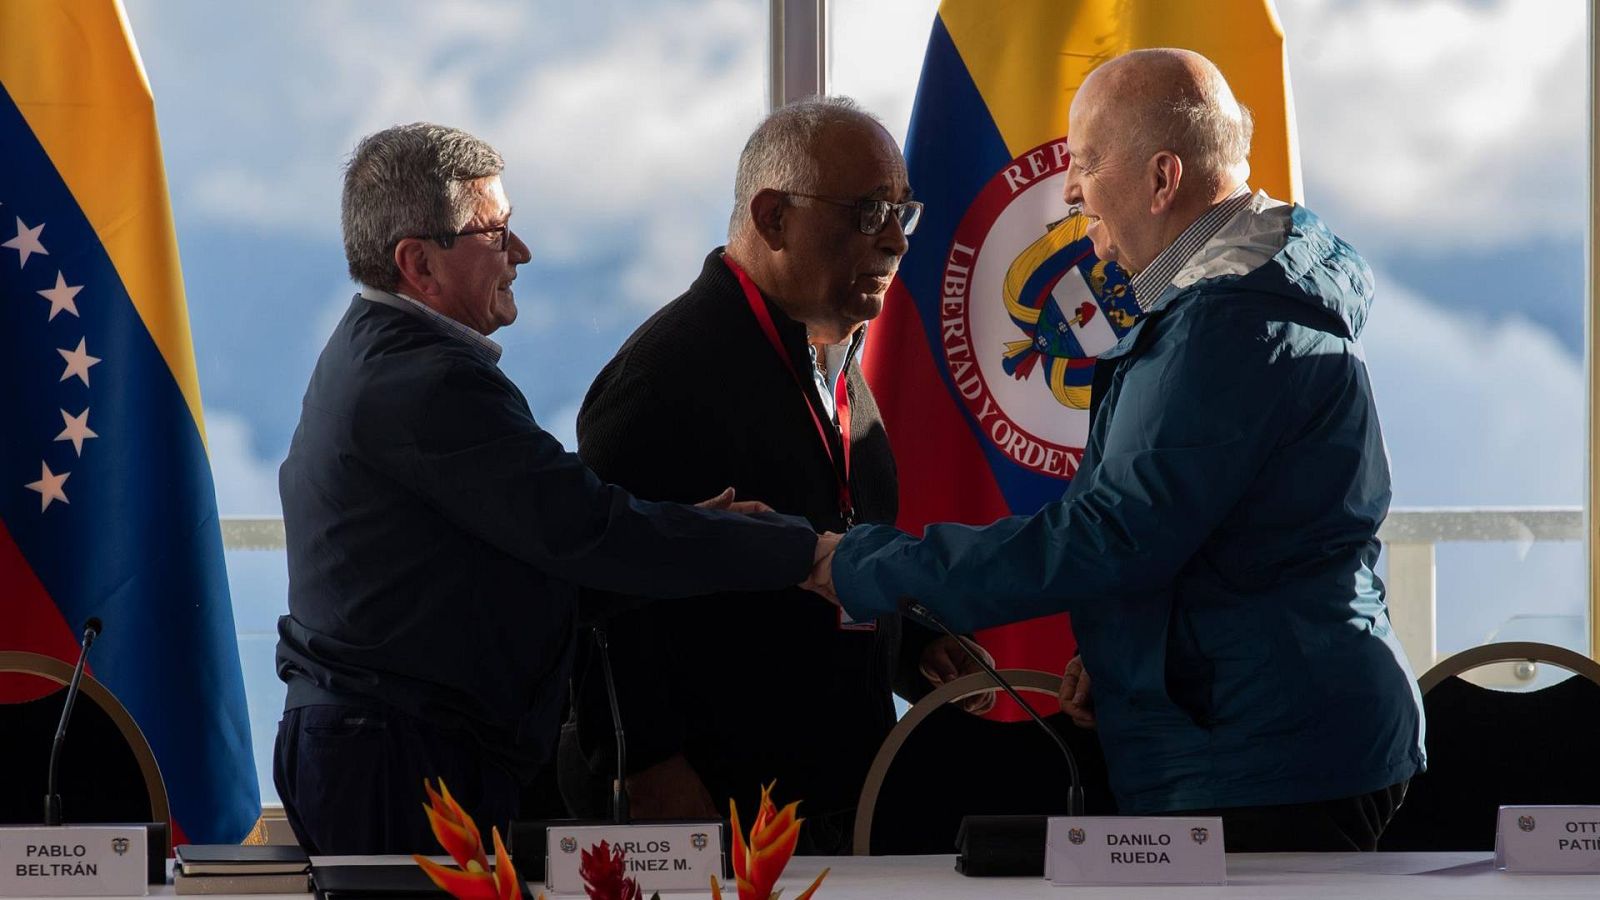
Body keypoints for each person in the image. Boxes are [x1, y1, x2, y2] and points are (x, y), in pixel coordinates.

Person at [807, 49, 1425, 852]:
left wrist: (859, 567)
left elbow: (1113, 537)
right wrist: (1123, 649)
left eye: (1087, 164)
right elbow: (1213, 534)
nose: (1067, 190)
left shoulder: (1227, 327)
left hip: (1263, 756)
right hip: (1265, 733)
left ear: (1163, 179)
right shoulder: (1238, 298)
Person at [273, 123, 824, 856]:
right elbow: (584, 530)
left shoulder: (379, 352)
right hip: (401, 761)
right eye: (496, 234)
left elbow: (531, 560)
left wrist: (686, 531)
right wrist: (799, 552)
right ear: (418, 264)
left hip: (385, 747)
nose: (521, 253)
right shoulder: (427, 383)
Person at [560, 97, 991, 854]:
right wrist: (648, 767)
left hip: (839, 801)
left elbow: (819, 560)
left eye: (902, 213)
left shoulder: (838, 366)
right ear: (772, 218)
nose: (894, 240)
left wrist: (912, 646)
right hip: (707, 813)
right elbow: (599, 595)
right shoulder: (665, 373)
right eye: (866, 213)